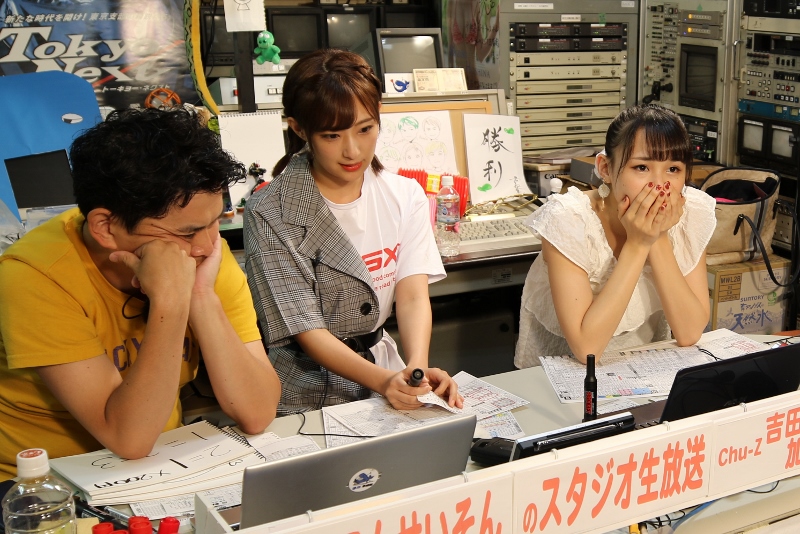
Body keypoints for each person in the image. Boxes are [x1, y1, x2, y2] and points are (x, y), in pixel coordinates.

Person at [0, 107, 281, 480]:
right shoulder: (34, 275)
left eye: (215, 221)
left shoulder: (200, 251)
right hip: (42, 483)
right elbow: (128, 438)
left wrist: (200, 297)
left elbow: (257, 412)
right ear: (105, 227)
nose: (207, 245)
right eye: (186, 233)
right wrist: (170, 302)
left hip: (161, 464)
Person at [244, 49, 462, 415]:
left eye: (365, 129)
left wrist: (416, 374)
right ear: (299, 129)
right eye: (331, 135)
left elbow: (411, 296)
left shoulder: (403, 194)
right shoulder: (269, 212)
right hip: (306, 391)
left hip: (385, 372)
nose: (352, 150)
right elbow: (307, 329)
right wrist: (384, 381)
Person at [515, 104, 717, 367]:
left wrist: (658, 237)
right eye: (641, 167)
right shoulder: (568, 219)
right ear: (606, 169)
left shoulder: (689, 212)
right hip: (559, 374)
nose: (659, 185)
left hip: (643, 372)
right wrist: (639, 243)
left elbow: (689, 332)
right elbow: (587, 349)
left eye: (673, 169)